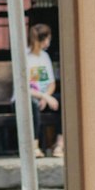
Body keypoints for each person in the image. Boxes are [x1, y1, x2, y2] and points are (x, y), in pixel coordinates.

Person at [27, 22, 63, 158]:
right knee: (32, 104)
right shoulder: (25, 56)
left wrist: (46, 96)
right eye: (48, 38)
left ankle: (59, 144)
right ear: (43, 39)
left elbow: (52, 83)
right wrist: (44, 97)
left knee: (64, 101)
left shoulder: (45, 57)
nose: (49, 42)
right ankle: (34, 145)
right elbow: (23, 88)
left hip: (43, 98)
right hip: (29, 98)